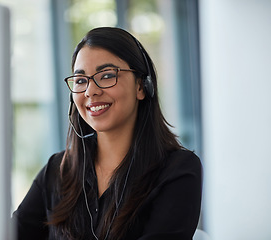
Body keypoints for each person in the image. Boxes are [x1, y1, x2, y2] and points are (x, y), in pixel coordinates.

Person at [12, 27, 202, 240]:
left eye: (107, 75)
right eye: (81, 80)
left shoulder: (177, 170)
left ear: (141, 86)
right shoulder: (57, 171)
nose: (90, 91)